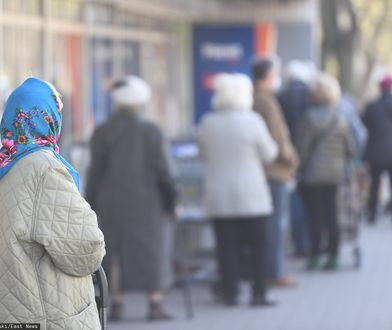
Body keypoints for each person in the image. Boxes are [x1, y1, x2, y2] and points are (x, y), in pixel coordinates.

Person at [0, 77, 105, 328]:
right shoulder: (44, 167)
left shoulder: (6, 162)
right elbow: (85, 249)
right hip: (49, 313)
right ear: (49, 118)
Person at [86, 76, 177, 321]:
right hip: (148, 201)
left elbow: (95, 171)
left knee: (114, 251)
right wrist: (172, 201)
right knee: (152, 250)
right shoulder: (152, 131)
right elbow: (164, 171)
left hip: (111, 201)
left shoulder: (102, 132)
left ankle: (116, 302)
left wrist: (89, 202)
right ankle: (154, 302)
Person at [198, 73, 278, 307]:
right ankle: (259, 292)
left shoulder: (208, 122)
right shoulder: (253, 121)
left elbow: (203, 154)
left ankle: (231, 292)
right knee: (259, 246)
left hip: (219, 196)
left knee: (226, 247)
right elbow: (270, 153)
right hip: (252, 196)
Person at [297, 73, 353, 270]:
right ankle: (334, 256)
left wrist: (299, 167)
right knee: (332, 215)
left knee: (315, 216)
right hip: (335, 173)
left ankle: (315, 256)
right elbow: (350, 148)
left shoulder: (309, 116)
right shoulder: (341, 117)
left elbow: (303, 148)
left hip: (313, 174)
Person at [252, 58, 298, 288]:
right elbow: (279, 138)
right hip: (275, 171)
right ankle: (274, 272)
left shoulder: (255, 99)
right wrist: (291, 160)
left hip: (265, 170)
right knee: (275, 225)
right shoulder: (266, 102)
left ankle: (269, 270)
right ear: (268, 76)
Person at [278, 60, 314, 257]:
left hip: (289, 156)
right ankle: (311, 242)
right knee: (311, 201)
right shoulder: (312, 95)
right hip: (311, 157)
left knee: (294, 200)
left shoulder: (281, 97)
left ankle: (299, 242)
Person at [362, 75, 392, 224]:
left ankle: (372, 214)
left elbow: (364, 123)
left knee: (374, 184)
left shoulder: (372, 106)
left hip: (376, 151)